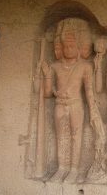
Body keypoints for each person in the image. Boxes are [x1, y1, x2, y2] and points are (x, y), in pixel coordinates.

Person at [41, 18, 100, 183]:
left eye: (72, 46)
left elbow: (89, 92)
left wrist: (93, 111)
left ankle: (73, 169)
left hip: (76, 105)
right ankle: (62, 168)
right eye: (65, 46)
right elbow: (46, 94)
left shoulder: (85, 67)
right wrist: (46, 75)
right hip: (60, 105)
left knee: (75, 136)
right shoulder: (55, 67)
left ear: (79, 47)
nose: (68, 49)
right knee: (61, 137)